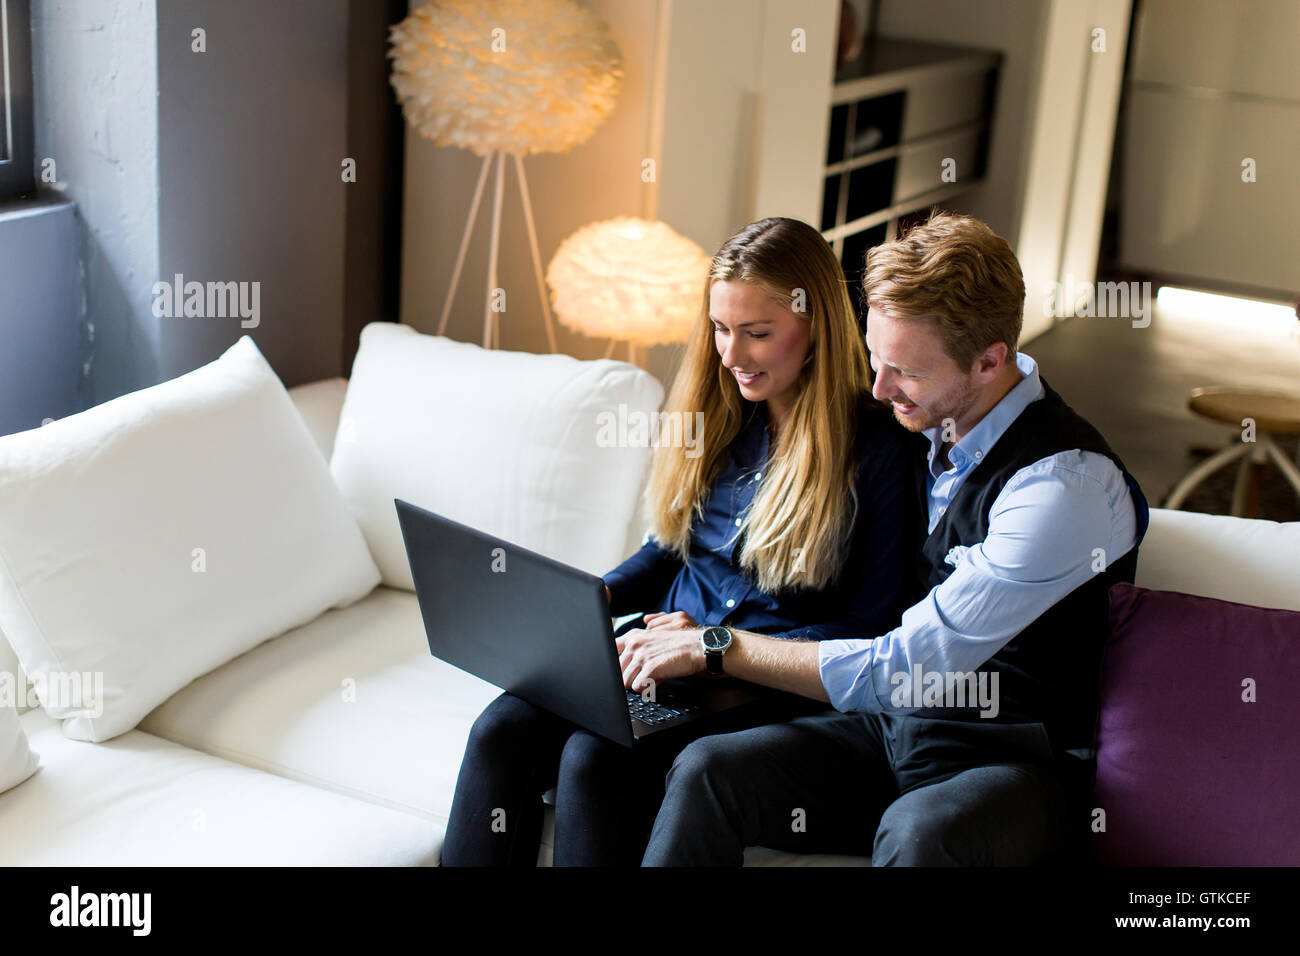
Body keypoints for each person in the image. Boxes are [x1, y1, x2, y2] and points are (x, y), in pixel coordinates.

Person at [624, 212, 1151, 866]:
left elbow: (907, 668)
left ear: (991, 361)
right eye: (876, 358)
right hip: (893, 736)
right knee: (708, 768)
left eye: (905, 371)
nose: (877, 388)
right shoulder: (930, 430)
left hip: (1008, 764)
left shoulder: (1062, 488)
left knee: (920, 830)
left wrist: (716, 645)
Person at [440, 216, 920, 866]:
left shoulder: (882, 450)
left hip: (753, 678)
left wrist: (710, 649)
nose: (731, 354)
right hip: (659, 648)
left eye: (757, 333)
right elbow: (673, 548)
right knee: (499, 730)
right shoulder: (720, 418)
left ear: (818, 327)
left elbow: (871, 629)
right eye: (721, 329)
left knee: (595, 758)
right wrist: (592, 598)